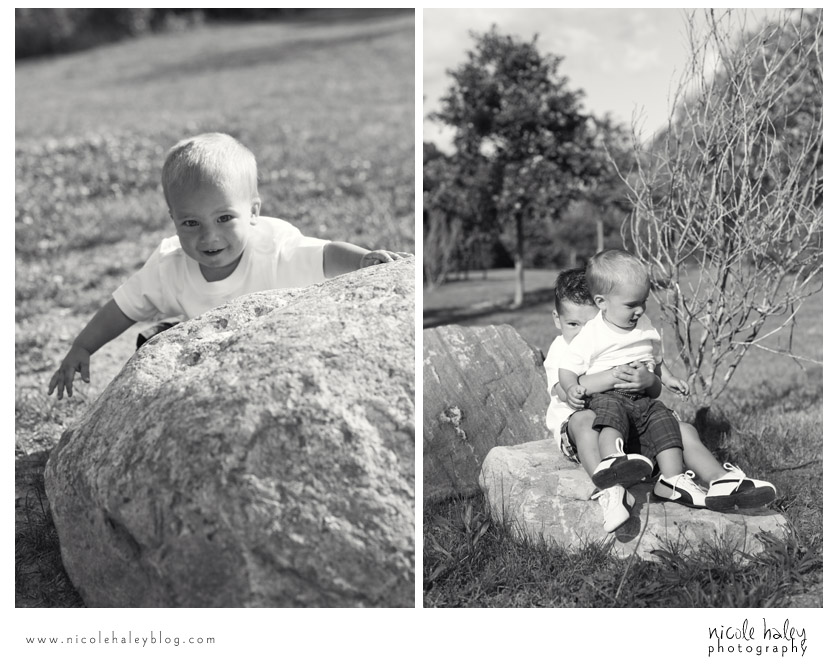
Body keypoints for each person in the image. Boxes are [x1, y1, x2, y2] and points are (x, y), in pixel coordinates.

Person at [48, 132, 409, 399]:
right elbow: (122, 308)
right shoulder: (170, 266)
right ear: (173, 218)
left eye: (224, 218)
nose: (209, 237)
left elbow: (326, 254)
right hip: (210, 349)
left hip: (279, 345)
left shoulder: (274, 249)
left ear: (253, 212)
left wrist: (363, 259)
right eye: (191, 223)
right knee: (154, 346)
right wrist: (82, 347)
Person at [545, 263, 776, 532]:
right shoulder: (562, 349)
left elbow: (653, 388)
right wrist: (612, 376)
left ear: (605, 312)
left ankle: (720, 480)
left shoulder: (616, 336)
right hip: (586, 433)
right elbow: (566, 391)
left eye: (590, 324)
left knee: (682, 429)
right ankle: (609, 486)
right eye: (574, 324)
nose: (584, 332)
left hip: (629, 428)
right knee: (584, 419)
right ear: (556, 319)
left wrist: (650, 380)